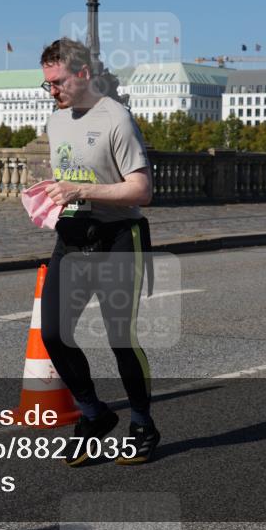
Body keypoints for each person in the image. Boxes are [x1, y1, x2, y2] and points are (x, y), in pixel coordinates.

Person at [39, 38, 159, 465]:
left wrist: (81, 190)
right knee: (53, 333)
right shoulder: (55, 121)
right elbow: (69, 179)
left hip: (118, 240)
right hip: (72, 238)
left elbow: (142, 191)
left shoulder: (116, 118)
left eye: (58, 82)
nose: (52, 91)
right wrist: (48, 198)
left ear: (83, 73)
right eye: (47, 84)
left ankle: (142, 423)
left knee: (120, 338)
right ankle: (94, 414)